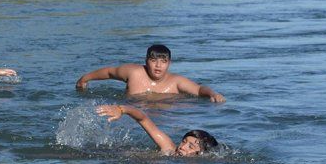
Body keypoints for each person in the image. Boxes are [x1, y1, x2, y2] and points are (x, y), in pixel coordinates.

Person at [76, 44, 226, 102]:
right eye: (154, 60)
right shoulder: (134, 72)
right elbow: (109, 72)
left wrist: (213, 94)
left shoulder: (176, 82)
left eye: (163, 61)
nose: (158, 65)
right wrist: (85, 78)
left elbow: (199, 89)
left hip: (164, 119)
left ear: (169, 63)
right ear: (146, 61)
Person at [96, 104, 219, 156]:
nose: (182, 146)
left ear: (201, 154)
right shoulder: (169, 148)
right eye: (184, 141)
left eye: (190, 147)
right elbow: (143, 119)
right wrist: (121, 109)